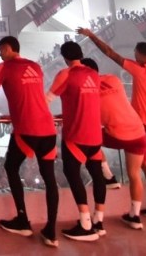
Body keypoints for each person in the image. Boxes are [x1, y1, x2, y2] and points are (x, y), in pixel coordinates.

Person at [76, 28, 146, 222]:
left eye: (134, 53)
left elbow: (110, 53)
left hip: (142, 125)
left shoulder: (140, 70)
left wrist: (91, 36)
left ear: (139, 54)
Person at [0, 36, 59, 248]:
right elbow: (30, 96)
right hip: (48, 129)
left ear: (7, 48)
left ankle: (23, 219)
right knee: (49, 179)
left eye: (0, 49)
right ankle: (51, 231)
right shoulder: (35, 67)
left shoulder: (3, 67)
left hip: (27, 130)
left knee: (11, 166)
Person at [79, 58, 146, 230]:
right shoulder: (113, 79)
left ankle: (107, 175)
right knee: (134, 174)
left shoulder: (87, 90)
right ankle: (135, 215)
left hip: (117, 134)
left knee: (86, 138)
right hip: (139, 132)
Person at [46, 42, 105, 242]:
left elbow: (46, 100)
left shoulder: (66, 74)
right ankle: (99, 221)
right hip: (95, 135)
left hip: (76, 134)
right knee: (97, 175)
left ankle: (85, 223)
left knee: (72, 174)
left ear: (64, 57)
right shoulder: (94, 75)